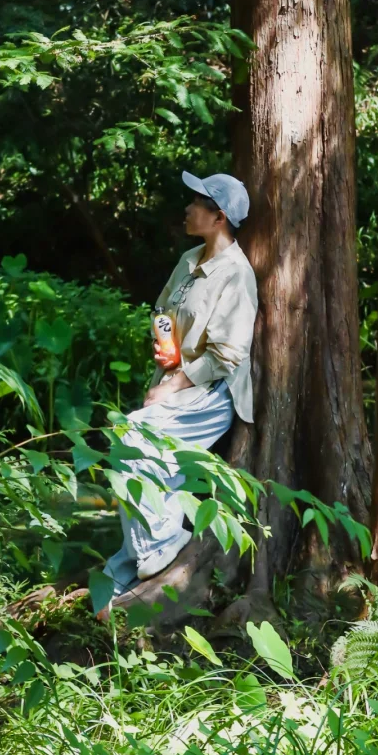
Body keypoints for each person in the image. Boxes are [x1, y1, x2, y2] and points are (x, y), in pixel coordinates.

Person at [102, 170, 258, 598]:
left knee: (132, 436)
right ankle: (125, 571)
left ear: (219, 217)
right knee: (144, 457)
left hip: (212, 393)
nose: (187, 208)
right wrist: (165, 345)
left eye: (197, 203)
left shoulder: (237, 274)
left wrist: (173, 385)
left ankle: (163, 542)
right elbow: (162, 310)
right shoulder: (190, 259)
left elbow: (228, 355)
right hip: (177, 381)